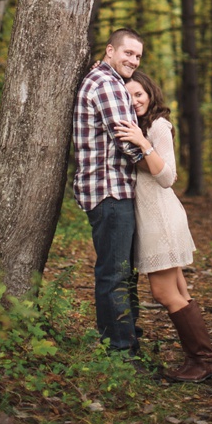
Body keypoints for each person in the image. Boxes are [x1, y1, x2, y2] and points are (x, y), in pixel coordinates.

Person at [115, 71, 212, 383]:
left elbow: (168, 177)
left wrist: (142, 143)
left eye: (139, 94)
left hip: (160, 218)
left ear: (150, 93)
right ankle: (203, 360)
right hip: (153, 218)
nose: (134, 101)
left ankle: (204, 361)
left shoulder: (158, 127)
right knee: (179, 291)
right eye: (128, 95)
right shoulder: (135, 125)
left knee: (163, 292)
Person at [72, 28, 146, 359]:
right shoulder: (106, 83)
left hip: (111, 192)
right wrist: (155, 158)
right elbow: (128, 143)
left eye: (138, 56)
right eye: (128, 53)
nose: (133, 60)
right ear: (110, 51)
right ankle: (120, 354)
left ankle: (127, 343)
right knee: (115, 276)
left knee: (121, 274)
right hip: (110, 192)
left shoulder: (105, 80)